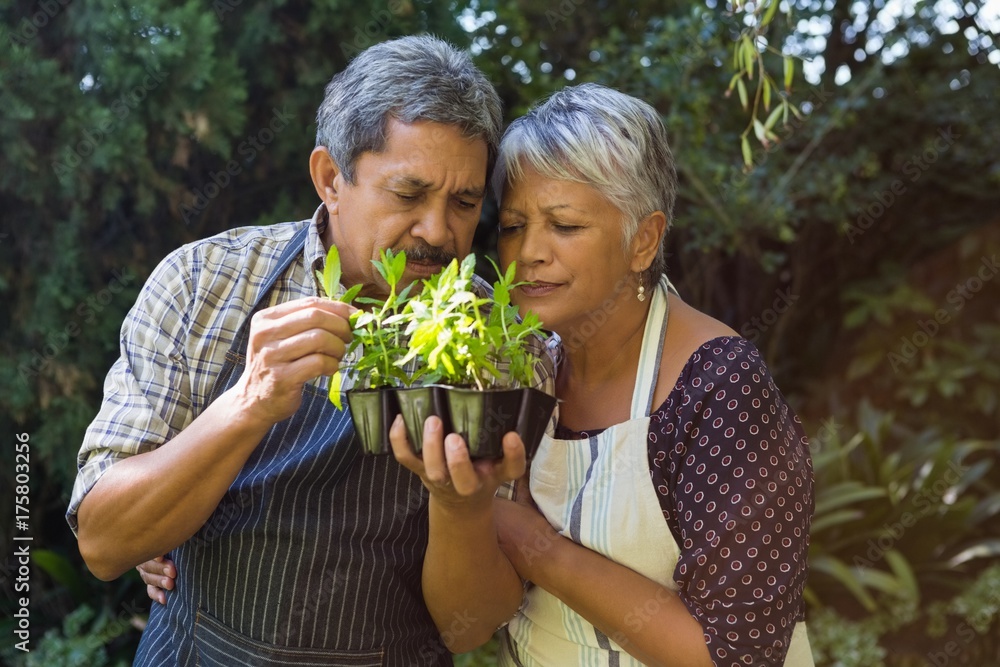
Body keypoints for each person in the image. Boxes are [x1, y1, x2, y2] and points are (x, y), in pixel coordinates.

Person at [68, 35, 552, 666]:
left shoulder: (502, 346)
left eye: (463, 202)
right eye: (408, 195)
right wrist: (247, 403)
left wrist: (463, 508)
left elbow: (468, 629)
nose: (438, 232)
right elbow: (104, 544)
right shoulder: (205, 283)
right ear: (330, 177)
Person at [388, 84, 816, 665]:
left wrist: (533, 545)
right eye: (513, 226)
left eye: (563, 226)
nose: (528, 253)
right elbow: (474, 618)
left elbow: (738, 655)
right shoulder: (525, 363)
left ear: (642, 240)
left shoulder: (719, 386)